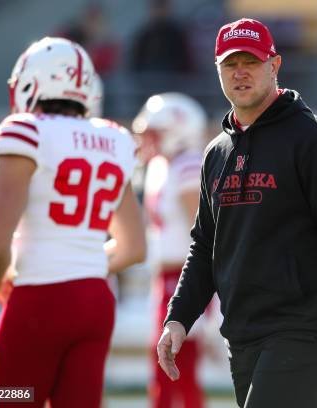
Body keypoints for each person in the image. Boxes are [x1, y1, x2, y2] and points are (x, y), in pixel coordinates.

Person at [156, 18, 317, 408]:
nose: (241, 72)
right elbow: (205, 245)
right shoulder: (216, 153)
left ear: (275, 65)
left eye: (251, 61)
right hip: (243, 333)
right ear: (217, 70)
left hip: (307, 329)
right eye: (230, 64)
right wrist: (178, 318)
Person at [0, 37, 146, 407]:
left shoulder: (24, 130)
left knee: (12, 399)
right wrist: (81, 265)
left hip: (39, 298)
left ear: (29, 83)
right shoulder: (116, 139)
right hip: (95, 301)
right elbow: (134, 248)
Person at [133, 93, 208, 408]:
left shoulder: (188, 163)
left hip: (182, 276)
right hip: (165, 274)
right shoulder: (161, 166)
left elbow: (202, 231)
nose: (148, 140)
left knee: (177, 369)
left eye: (156, 132)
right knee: (165, 369)